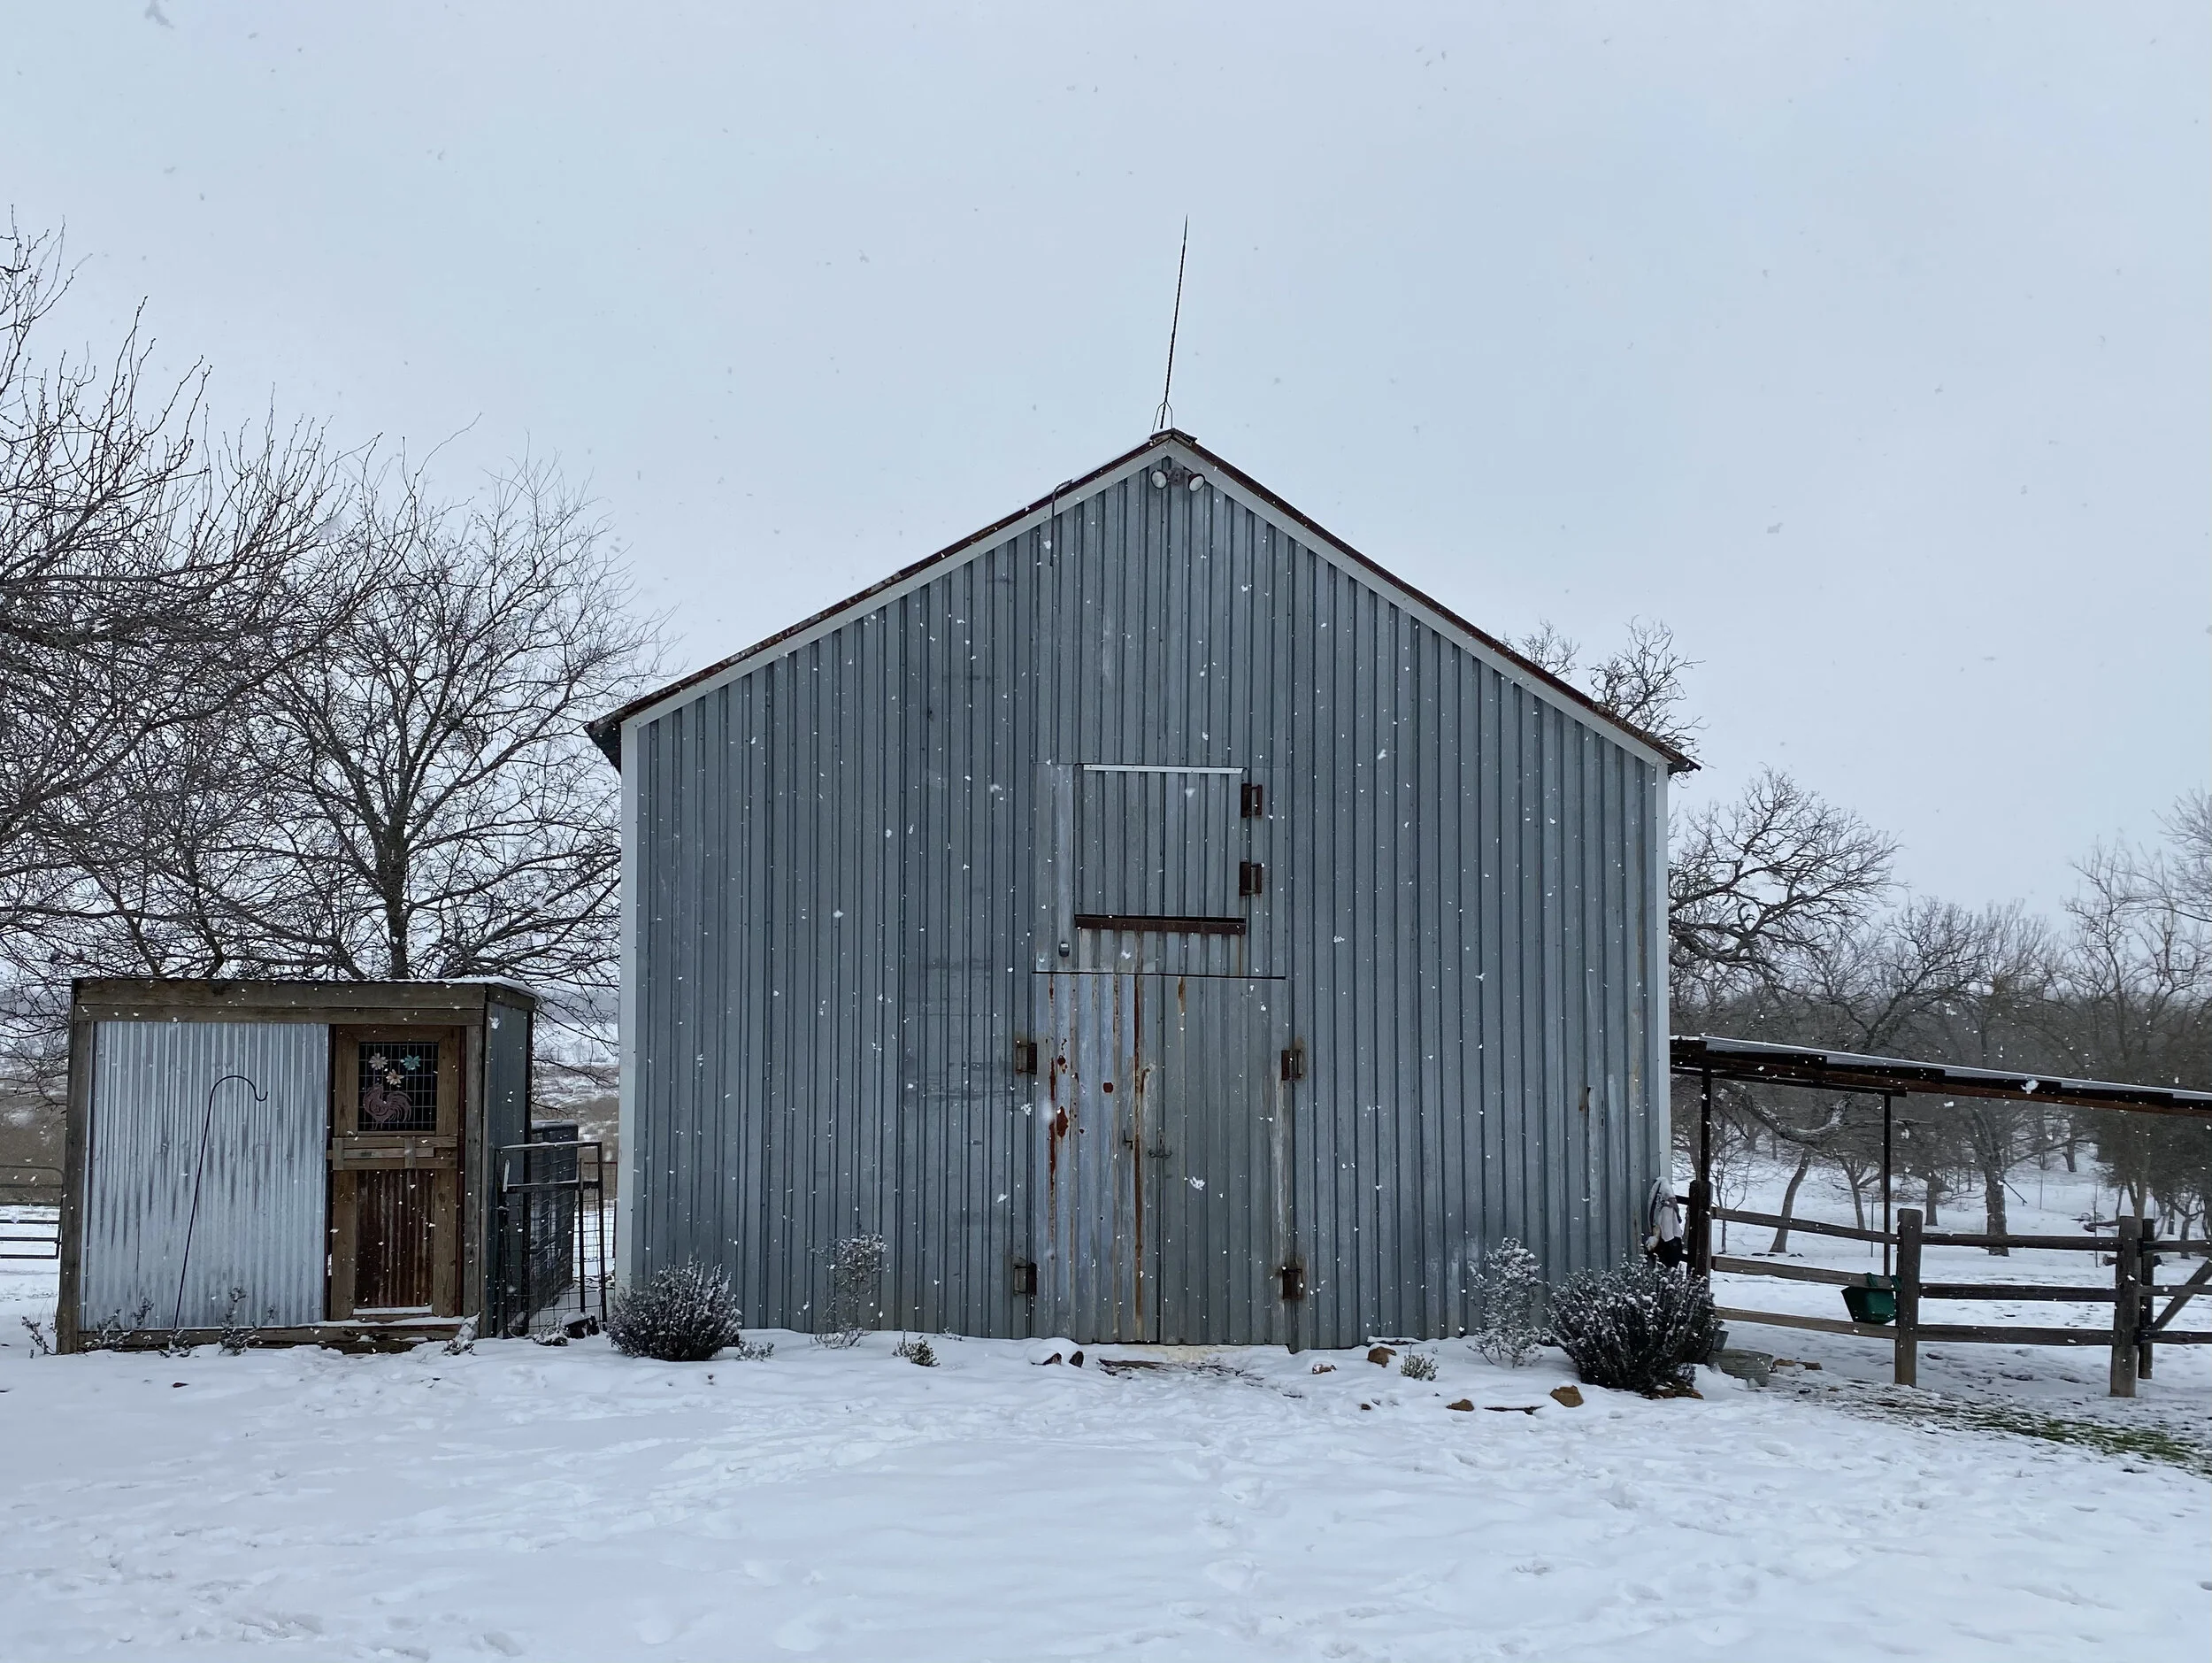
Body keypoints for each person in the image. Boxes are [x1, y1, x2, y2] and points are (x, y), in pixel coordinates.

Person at [1645, 1178, 1684, 1269]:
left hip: (1668, 1244)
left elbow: (1667, 1233)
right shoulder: (1669, 1208)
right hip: (1672, 1244)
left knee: (1667, 1265)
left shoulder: (1666, 1209)